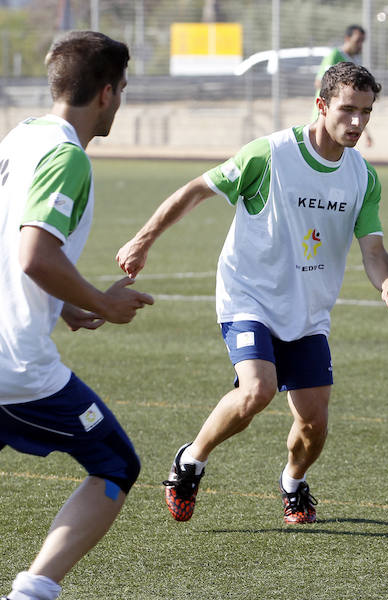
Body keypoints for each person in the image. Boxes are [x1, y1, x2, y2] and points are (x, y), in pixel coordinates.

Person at [116, 62, 388, 525]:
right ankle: (190, 461)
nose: (357, 122)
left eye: (366, 113)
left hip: (308, 311)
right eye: (347, 110)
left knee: (314, 424)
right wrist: (143, 239)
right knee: (257, 390)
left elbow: (373, 249)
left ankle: (293, 482)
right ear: (321, 105)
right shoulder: (270, 154)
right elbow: (197, 190)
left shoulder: (362, 177)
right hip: (247, 295)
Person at [0, 31, 153, 600]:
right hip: (16, 369)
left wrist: (62, 302)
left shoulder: (20, 138)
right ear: (107, 94)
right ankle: (33, 593)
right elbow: (34, 253)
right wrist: (103, 303)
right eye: (124, 89)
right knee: (115, 462)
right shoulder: (66, 157)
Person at [311, 25, 372, 146]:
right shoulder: (335, 55)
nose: (360, 45)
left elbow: (355, 105)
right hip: (324, 117)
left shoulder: (355, 62)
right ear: (347, 39)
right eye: (357, 41)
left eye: (362, 41)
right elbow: (319, 82)